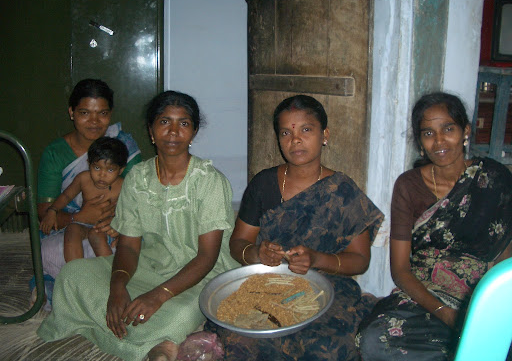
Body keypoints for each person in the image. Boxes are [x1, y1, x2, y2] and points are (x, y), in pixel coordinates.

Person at [37, 90, 240, 361]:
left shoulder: (210, 181)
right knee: (73, 276)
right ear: (151, 131)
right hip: (151, 264)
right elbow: (130, 245)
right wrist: (117, 286)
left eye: (183, 124)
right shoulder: (138, 178)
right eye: (165, 122)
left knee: (178, 315)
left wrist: (158, 296)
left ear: (192, 133)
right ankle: (156, 344)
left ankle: (152, 341)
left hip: (201, 273)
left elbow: (207, 257)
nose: (173, 131)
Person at [205, 95, 384, 360]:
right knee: (242, 338)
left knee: (326, 346)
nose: (295, 140)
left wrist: (316, 259)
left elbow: (359, 261)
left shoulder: (343, 191)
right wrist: (257, 254)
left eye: (306, 130)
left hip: (327, 288)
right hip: (267, 284)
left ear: (324, 135)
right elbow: (238, 243)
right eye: (286, 132)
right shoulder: (263, 184)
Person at [356, 92, 512, 360]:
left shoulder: (495, 178)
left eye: (448, 129)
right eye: (428, 133)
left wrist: (480, 309)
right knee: (374, 340)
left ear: (465, 131)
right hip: (424, 296)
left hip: (480, 296)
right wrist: (445, 313)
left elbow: (506, 254)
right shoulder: (408, 186)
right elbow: (401, 270)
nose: (439, 141)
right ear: (420, 142)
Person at [33, 79, 141, 308]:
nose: (94, 122)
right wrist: (80, 217)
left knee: (144, 243)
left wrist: (118, 220)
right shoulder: (55, 153)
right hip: (71, 231)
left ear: (110, 114)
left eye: (102, 113)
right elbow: (45, 213)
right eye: (84, 112)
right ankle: (81, 282)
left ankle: (106, 286)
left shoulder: (123, 146)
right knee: (47, 251)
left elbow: (141, 197)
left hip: (115, 228)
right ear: (71, 112)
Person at [40, 136, 128, 261]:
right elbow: (66, 195)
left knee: (96, 235)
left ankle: (109, 273)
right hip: (83, 223)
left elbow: (131, 211)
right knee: (72, 229)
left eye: (110, 170)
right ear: (89, 164)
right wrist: (52, 211)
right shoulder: (83, 179)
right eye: (97, 168)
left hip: (107, 227)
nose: (102, 175)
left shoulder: (123, 185)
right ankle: (76, 270)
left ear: (120, 170)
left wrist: (121, 229)